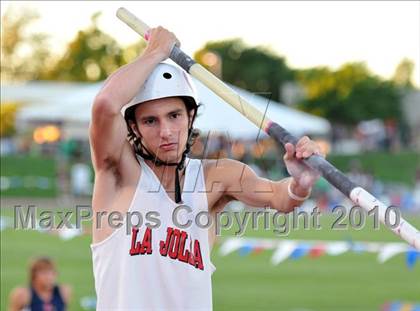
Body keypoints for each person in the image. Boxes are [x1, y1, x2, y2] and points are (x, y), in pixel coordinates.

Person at [89, 26, 323, 310]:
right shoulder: (118, 174)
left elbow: (279, 197)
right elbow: (105, 104)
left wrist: (300, 183)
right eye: (151, 121)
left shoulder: (218, 176)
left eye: (174, 116)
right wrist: (155, 53)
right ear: (134, 127)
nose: (166, 131)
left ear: (190, 116)